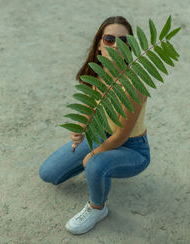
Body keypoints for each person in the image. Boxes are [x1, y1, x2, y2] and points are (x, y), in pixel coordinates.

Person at [39, 16, 151, 235]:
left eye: (123, 40)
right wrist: (80, 127)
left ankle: (97, 208)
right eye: (109, 39)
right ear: (99, 44)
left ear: (130, 46)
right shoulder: (97, 72)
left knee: (96, 164)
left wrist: (94, 154)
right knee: (49, 173)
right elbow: (93, 107)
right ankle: (99, 168)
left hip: (132, 148)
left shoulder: (134, 85)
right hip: (101, 134)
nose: (115, 45)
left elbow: (121, 136)